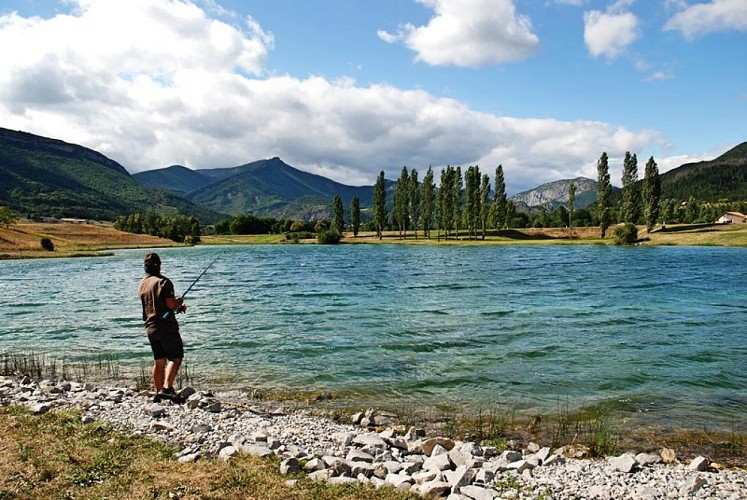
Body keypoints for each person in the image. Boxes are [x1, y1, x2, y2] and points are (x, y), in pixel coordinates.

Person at [138, 252, 186, 402]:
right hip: (166, 327)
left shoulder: (142, 283)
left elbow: (157, 305)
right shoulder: (164, 282)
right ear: (159, 265)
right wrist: (179, 302)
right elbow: (170, 304)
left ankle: (159, 393)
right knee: (175, 357)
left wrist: (173, 307)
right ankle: (166, 388)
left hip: (150, 327)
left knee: (159, 360)